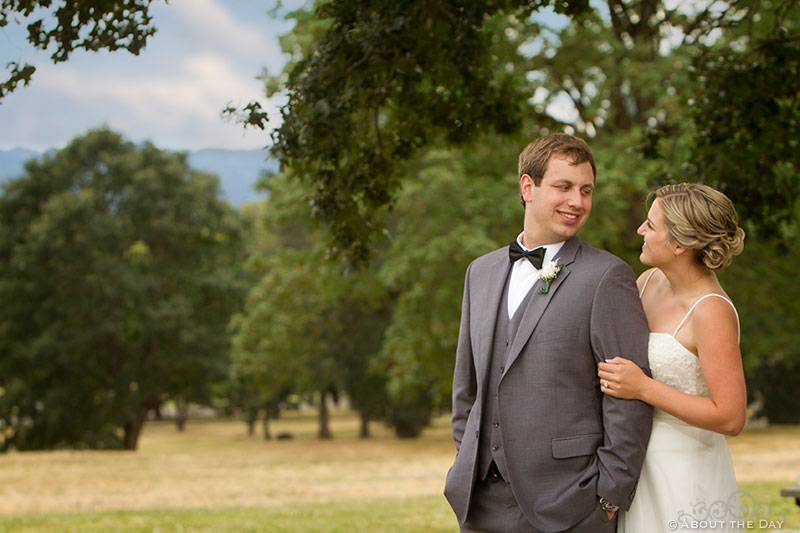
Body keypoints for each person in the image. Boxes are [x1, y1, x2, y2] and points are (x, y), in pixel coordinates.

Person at [444, 133, 653, 532]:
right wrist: (467, 456)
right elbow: (466, 386)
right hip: (478, 503)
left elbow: (629, 400)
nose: (577, 201)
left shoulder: (606, 277)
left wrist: (607, 500)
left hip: (569, 506)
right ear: (528, 187)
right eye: (564, 187)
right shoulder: (480, 272)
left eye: (586, 190)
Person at [597, 183, 747, 533]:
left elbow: (731, 417)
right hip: (638, 462)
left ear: (679, 244)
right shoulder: (647, 282)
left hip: (686, 471)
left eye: (650, 225)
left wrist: (644, 389)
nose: (640, 231)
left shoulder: (711, 311)